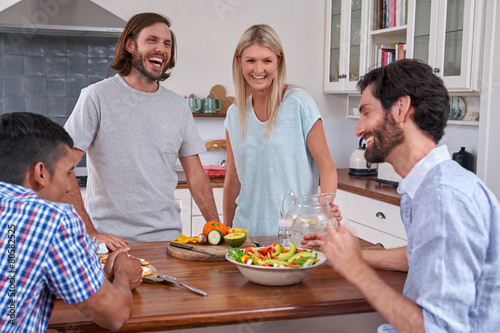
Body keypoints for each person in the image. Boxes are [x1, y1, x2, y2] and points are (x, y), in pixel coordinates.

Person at [303, 59, 500, 332]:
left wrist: (356, 270)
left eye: (366, 113)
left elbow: (439, 329)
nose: (358, 129)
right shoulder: (424, 187)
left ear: (400, 108)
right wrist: (349, 254)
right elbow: (421, 259)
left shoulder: (445, 198)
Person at [64, 13, 219, 248]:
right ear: (130, 45)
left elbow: (196, 176)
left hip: (168, 241)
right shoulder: (96, 97)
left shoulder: (178, 106)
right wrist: (89, 231)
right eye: (152, 40)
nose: (161, 49)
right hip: (112, 244)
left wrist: (218, 228)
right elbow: (62, 166)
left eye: (167, 44)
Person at [0, 112, 143, 333]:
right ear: (40, 173)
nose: (68, 187)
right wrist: (124, 276)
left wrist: (98, 277)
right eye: (67, 173)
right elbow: (114, 316)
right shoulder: (53, 218)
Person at [223, 24, 340, 236]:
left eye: (267, 60)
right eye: (251, 60)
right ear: (239, 61)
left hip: (295, 236)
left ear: (279, 61)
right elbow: (232, 179)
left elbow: (327, 167)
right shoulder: (234, 113)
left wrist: (324, 207)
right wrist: (226, 230)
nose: (258, 70)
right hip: (246, 236)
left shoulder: (299, 103)